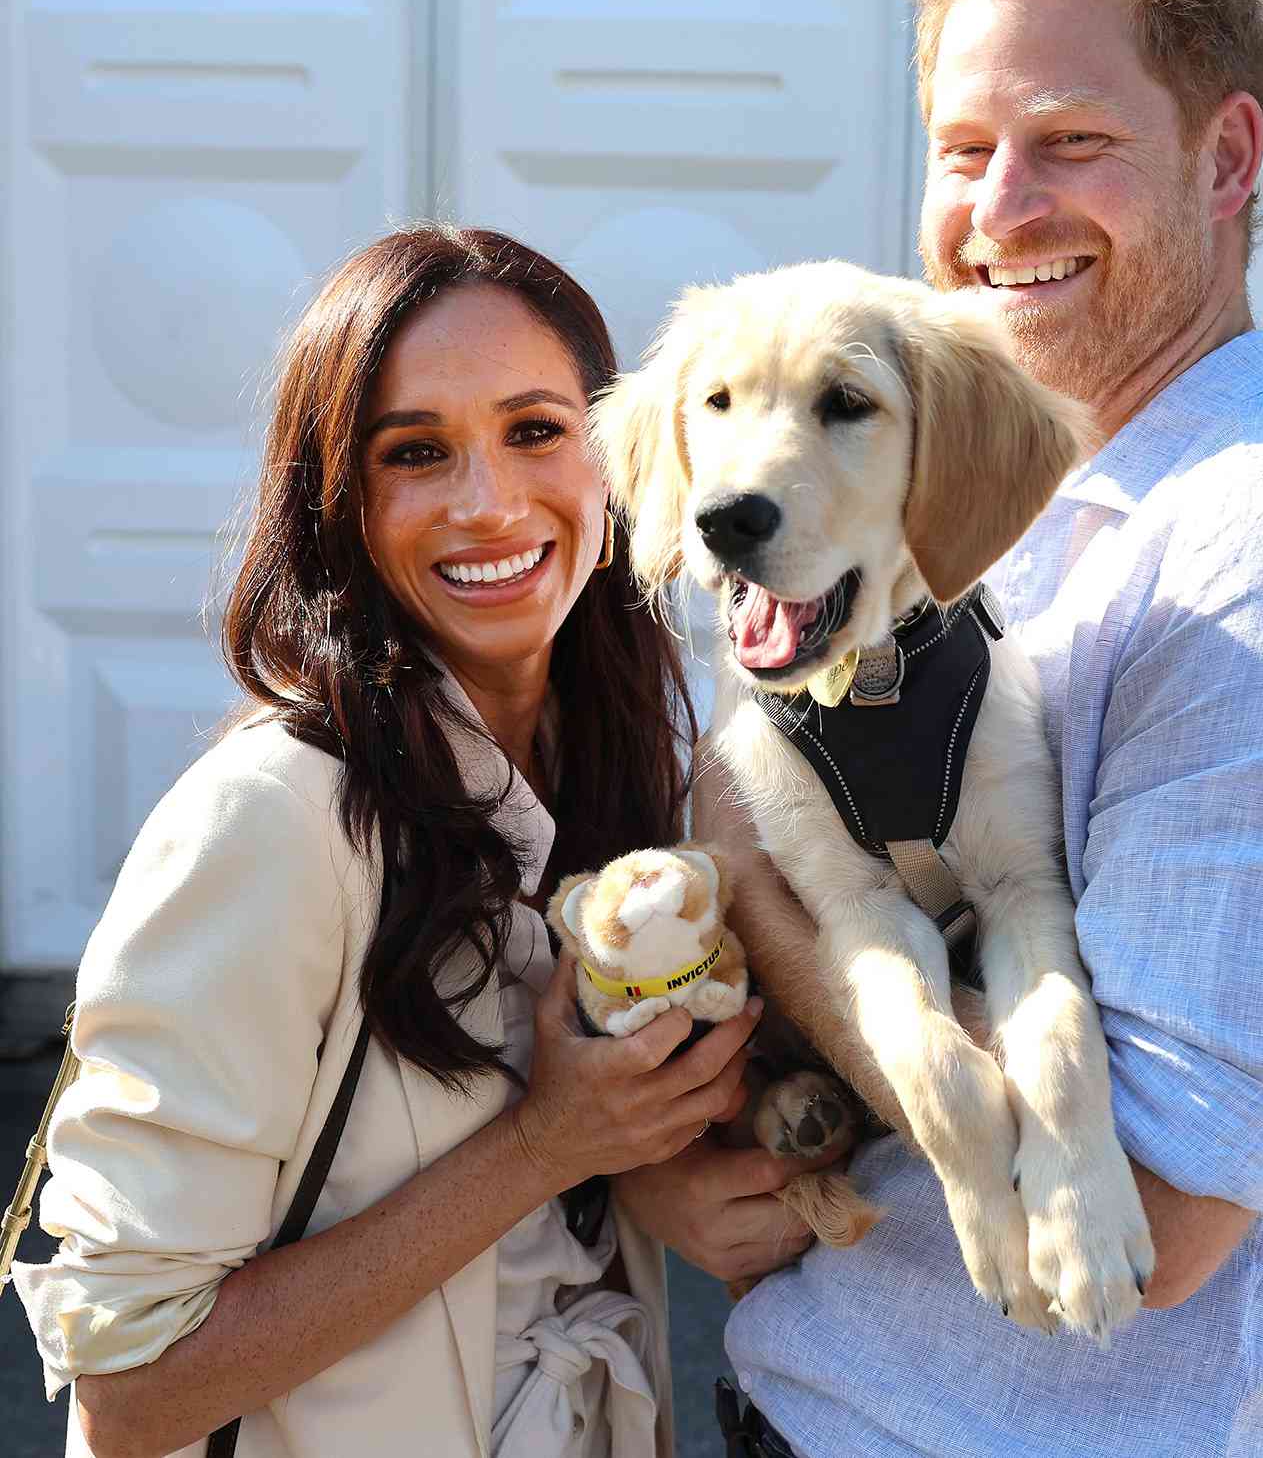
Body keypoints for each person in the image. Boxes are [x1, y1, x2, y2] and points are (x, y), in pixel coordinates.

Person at [613, 0, 1263, 1456]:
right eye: (965, 151)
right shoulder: (973, 495)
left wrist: (754, 874)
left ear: (1227, 161)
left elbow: (1158, 1195)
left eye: (1071, 139)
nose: (999, 209)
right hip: (811, 1392)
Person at [12, 225, 798, 1458]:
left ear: (621, 461)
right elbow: (132, 1391)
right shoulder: (272, 820)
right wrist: (546, 1146)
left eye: (537, 429)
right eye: (416, 452)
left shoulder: (643, 776)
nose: (487, 501)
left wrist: (646, 1176)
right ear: (343, 504)